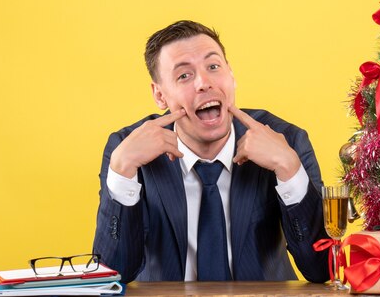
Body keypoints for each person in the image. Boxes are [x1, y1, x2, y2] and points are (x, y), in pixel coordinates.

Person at [93, 20, 329, 283]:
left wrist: (289, 168)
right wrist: (123, 171)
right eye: (184, 75)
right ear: (160, 95)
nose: (203, 83)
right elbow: (111, 275)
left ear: (231, 76)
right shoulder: (126, 150)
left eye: (213, 67)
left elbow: (321, 269)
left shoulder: (287, 141)